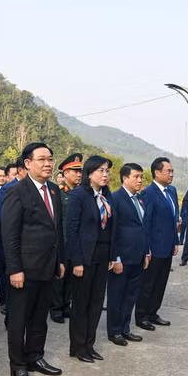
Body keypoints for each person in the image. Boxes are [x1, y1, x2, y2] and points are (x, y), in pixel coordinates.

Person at [2, 142, 65, 376]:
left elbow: (57, 229)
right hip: (25, 270)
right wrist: (15, 269)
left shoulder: (54, 190)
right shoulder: (16, 192)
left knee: (40, 318)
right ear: (27, 163)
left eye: (50, 159)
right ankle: (17, 366)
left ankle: (35, 357)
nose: (48, 163)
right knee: (19, 320)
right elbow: (10, 235)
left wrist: (60, 260)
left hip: (48, 266)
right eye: (42, 159)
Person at [66, 155, 116, 363]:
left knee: (96, 304)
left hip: (103, 257)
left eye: (107, 171)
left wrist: (112, 256)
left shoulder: (107, 195)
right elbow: (72, 230)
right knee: (81, 305)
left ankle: (89, 344)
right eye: (100, 171)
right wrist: (77, 261)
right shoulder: (79, 195)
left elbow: (112, 229)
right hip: (85, 258)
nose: (105, 175)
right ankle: (77, 347)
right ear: (89, 173)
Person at [135, 157, 178, 331]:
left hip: (167, 246)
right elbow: (146, 223)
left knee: (161, 282)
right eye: (168, 171)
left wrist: (175, 241)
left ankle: (153, 312)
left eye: (172, 171)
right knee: (148, 283)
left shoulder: (172, 191)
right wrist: (147, 249)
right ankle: (142, 315)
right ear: (157, 172)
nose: (171, 174)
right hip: (154, 248)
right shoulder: (149, 193)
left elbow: (173, 219)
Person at [107, 163, 147, 347]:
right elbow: (112, 231)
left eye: (141, 177)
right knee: (117, 295)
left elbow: (142, 227)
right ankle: (114, 331)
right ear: (125, 178)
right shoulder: (115, 198)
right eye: (136, 177)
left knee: (131, 295)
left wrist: (146, 251)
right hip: (121, 257)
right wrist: (115, 258)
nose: (140, 180)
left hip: (138, 256)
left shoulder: (139, 199)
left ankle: (125, 327)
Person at [50, 153, 83, 324]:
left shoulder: (81, 193)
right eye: (74, 171)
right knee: (59, 276)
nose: (78, 175)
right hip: (61, 241)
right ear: (65, 173)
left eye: (80, 172)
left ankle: (65, 305)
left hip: (74, 242)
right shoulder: (57, 192)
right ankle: (55, 308)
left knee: (71, 275)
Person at [0, 158, 28, 317]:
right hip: (8, 240)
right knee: (7, 273)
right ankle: (5, 303)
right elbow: (4, 218)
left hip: (26, 245)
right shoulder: (8, 189)